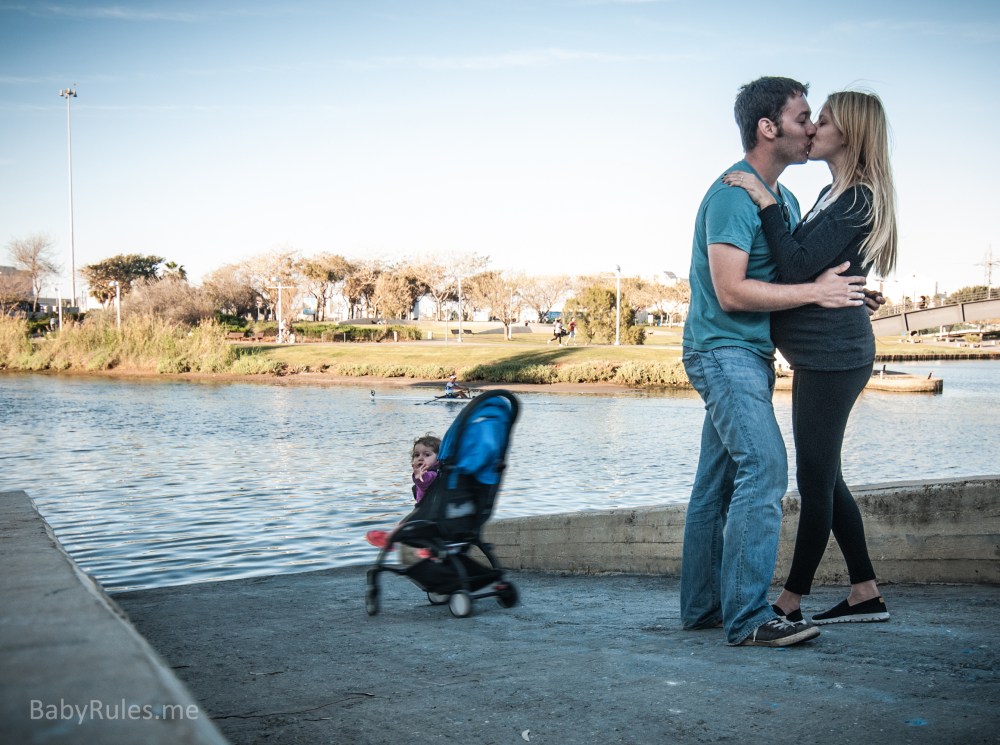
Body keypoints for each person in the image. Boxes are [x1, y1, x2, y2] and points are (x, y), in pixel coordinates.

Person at [680, 76, 873, 648]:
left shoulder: (783, 200)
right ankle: (747, 618)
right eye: (803, 116)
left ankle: (702, 609)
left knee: (714, 488)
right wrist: (817, 293)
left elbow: (798, 269)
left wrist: (847, 289)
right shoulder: (730, 197)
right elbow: (732, 292)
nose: (812, 127)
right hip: (722, 351)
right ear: (769, 128)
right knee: (765, 467)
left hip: (754, 355)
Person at [721, 90, 896, 625]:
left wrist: (764, 196)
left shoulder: (858, 199)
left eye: (822, 120)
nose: (812, 128)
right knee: (828, 475)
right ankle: (865, 591)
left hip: (833, 358)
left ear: (850, 133)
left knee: (815, 481)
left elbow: (795, 267)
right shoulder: (830, 192)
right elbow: (811, 267)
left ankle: (791, 601)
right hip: (821, 354)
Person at [365, 435, 442, 550]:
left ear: (438, 459)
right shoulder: (434, 473)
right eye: (417, 455)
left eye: (427, 455)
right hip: (426, 511)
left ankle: (389, 540)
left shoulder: (431, 474)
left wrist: (419, 476)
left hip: (427, 513)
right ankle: (429, 550)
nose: (420, 458)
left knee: (403, 525)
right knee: (403, 524)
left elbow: (425, 481)